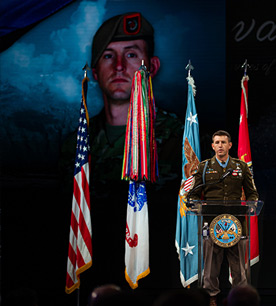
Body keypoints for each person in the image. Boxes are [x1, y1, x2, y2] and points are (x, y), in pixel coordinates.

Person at [59, 12, 182, 298]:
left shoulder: (178, 137)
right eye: (107, 56)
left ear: (151, 66)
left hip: (156, 272)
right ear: (94, 70)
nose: (118, 67)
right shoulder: (76, 144)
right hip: (94, 268)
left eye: (130, 55)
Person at [188, 130, 259, 306]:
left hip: (236, 223)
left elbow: (252, 193)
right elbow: (194, 194)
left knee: (238, 269)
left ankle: (240, 298)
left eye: (223, 142)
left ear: (230, 145)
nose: (220, 145)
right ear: (212, 146)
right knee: (211, 267)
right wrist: (195, 204)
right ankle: (211, 298)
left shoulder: (240, 166)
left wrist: (252, 204)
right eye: (217, 142)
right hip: (211, 223)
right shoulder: (204, 167)